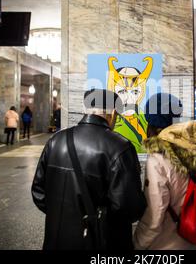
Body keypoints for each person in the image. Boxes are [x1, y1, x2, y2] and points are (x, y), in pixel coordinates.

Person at [31, 89, 146, 250]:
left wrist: (63, 216)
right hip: (101, 241)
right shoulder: (120, 147)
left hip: (56, 239)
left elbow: (38, 191)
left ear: (85, 110)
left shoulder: (56, 140)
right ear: (113, 113)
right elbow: (129, 208)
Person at [133, 93, 196, 250]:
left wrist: (137, 242)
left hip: (167, 245)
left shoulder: (158, 160)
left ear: (152, 124)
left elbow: (155, 216)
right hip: (194, 238)